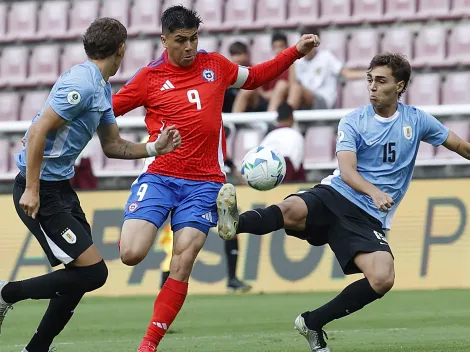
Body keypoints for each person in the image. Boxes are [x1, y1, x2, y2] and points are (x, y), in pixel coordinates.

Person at [216, 52, 470, 351]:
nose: (372, 87)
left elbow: (460, 145)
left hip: (367, 218)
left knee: (382, 277)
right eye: (370, 80)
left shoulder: (417, 120)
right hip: (336, 195)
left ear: (400, 86)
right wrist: (373, 191)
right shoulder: (354, 120)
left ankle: (312, 322)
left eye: (381, 81)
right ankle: (235, 222)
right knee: (291, 209)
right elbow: (347, 171)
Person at [111, 5, 319, 351]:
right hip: (160, 175)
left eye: (194, 38)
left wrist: (294, 52)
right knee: (131, 253)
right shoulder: (148, 78)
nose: (190, 46)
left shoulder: (215, 65)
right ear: (164, 41)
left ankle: (148, 344)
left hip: (205, 182)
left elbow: (254, 77)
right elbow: (107, 110)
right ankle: (223, 219)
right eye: (181, 40)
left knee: (183, 258)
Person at [0, 18, 181, 352]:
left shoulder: (100, 87)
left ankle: (36, 348)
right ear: (121, 49)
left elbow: (113, 146)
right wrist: (33, 189)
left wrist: (155, 147)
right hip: (40, 188)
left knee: (80, 276)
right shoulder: (83, 85)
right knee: (94, 273)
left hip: (60, 188)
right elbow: (39, 131)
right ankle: (6, 294)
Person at [260, 102, 306, 182]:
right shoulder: (296, 136)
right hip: (289, 184)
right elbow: (295, 168)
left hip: (265, 183)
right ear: (292, 117)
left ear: (278, 118)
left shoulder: (269, 137)